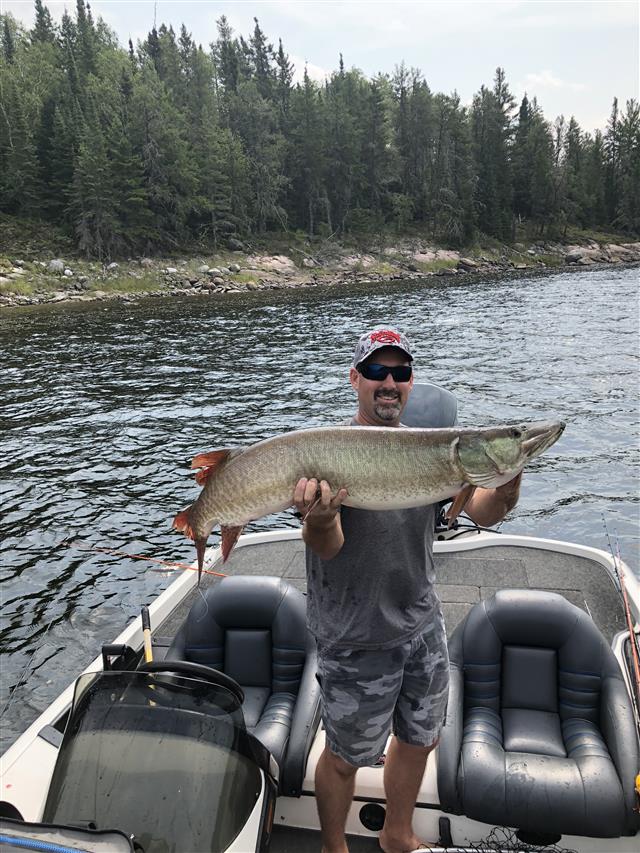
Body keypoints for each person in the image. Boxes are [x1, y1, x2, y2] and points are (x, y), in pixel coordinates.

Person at [293, 327, 522, 853]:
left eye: (400, 373)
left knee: (421, 738)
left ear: (411, 383)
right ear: (355, 379)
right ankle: (333, 846)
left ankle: (396, 834)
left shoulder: (432, 452)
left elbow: (481, 511)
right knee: (345, 757)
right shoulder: (329, 454)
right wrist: (320, 518)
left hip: (421, 623)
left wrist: (507, 487)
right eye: (377, 371)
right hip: (355, 634)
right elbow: (326, 546)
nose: (389, 382)